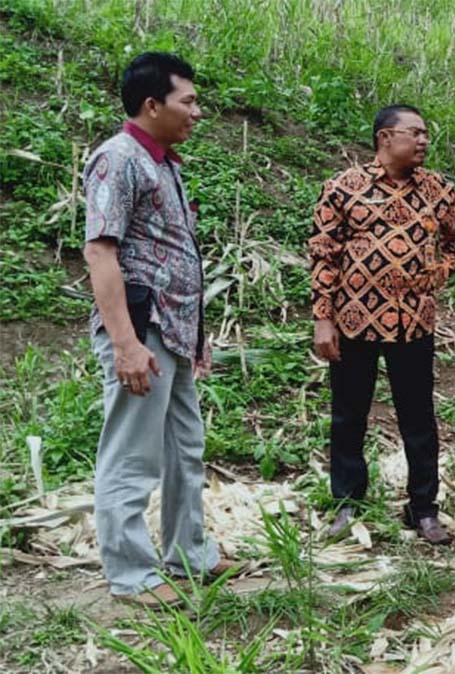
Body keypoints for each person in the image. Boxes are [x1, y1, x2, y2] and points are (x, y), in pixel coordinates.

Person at [83, 52, 235, 607]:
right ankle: (130, 574)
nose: (198, 112)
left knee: (184, 448)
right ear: (153, 105)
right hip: (141, 332)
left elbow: (172, 255)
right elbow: (102, 252)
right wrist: (125, 344)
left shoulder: (164, 163)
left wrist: (194, 335)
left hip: (172, 335)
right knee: (132, 455)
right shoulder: (118, 159)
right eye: (188, 101)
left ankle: (188, 550)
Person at [310, 104, 455, 545]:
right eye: (414, 133)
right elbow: (324, 254)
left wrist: (439, 272)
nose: (423, 141)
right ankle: (347, 503)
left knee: (418, 418)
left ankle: (423, 509)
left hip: (413, 324)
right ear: (385, 137)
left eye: (425, 134)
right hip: (353, 321)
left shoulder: (439, 189)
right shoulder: (343, 188)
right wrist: (322, 318)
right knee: (348, 416)